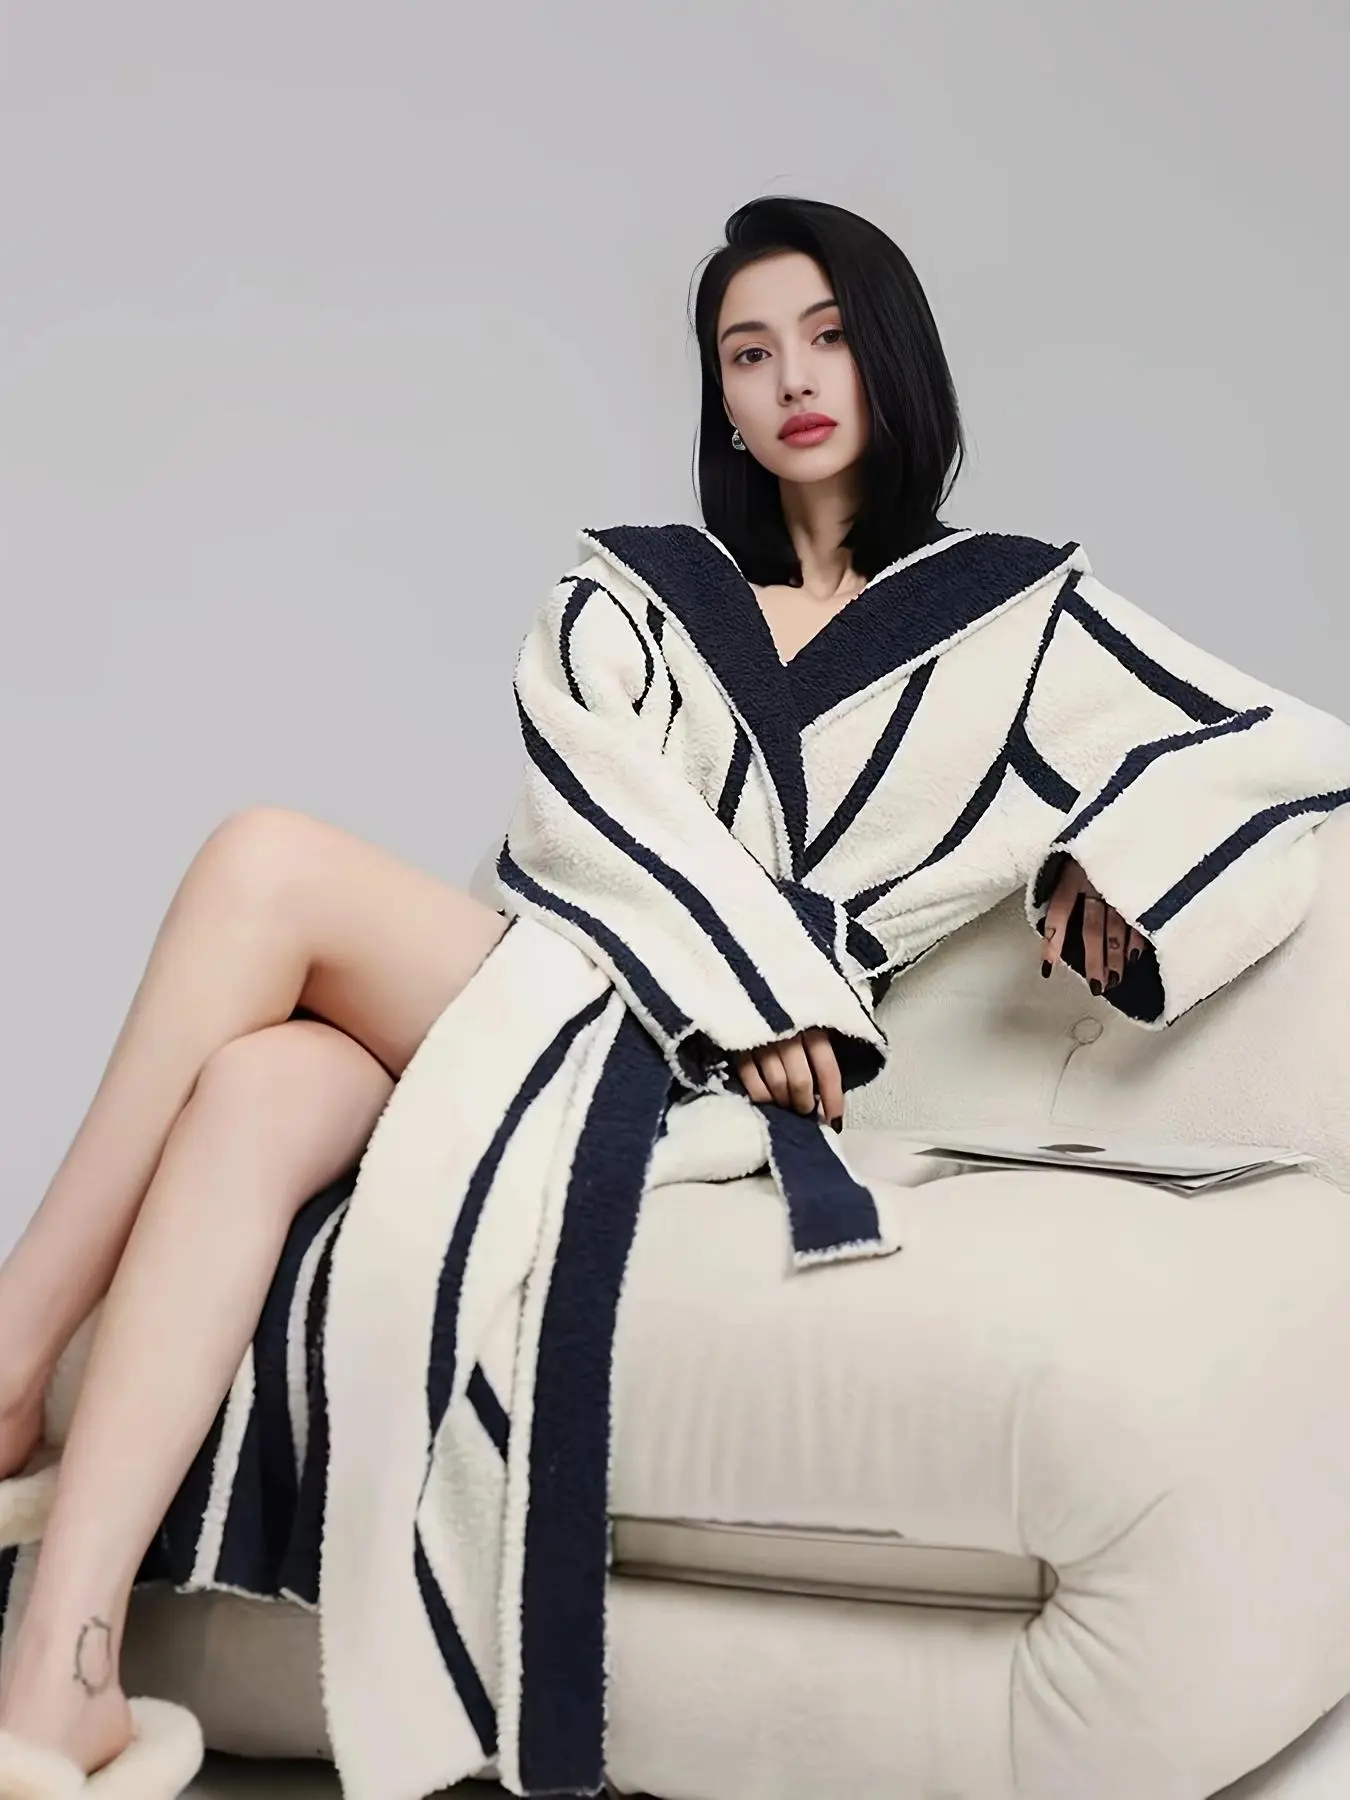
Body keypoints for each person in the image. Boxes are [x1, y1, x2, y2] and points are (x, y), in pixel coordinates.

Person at [0, 194, 1152, 1783]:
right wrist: (744, 975)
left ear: (890, 355)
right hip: (575, 994)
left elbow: (1239, 757)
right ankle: (63, 1676)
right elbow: (580, 804)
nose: (789, 379)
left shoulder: (1022, 612)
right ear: (720, 398)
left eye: (825, 338)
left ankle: (10, 1361)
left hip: (713, 1071)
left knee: (265, 860)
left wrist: (1106, 858)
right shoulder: (642, 589)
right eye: (746, 353)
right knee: (257, 1087)